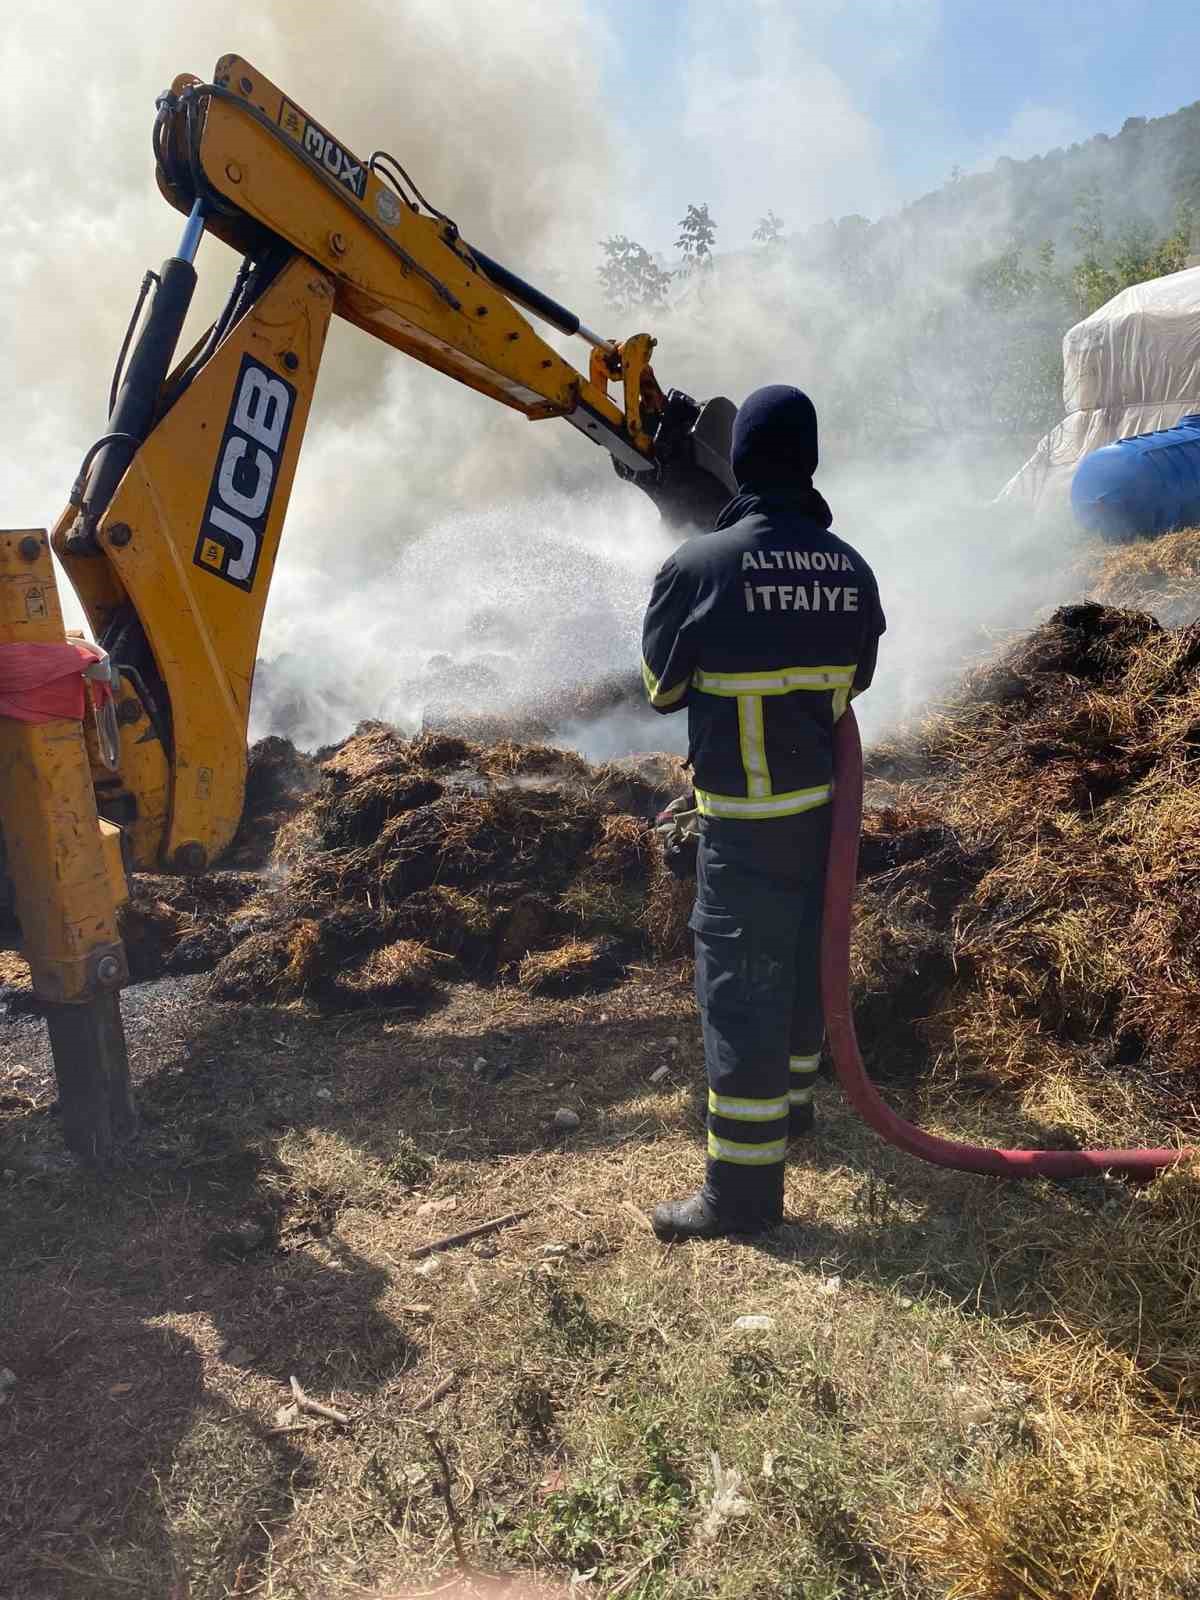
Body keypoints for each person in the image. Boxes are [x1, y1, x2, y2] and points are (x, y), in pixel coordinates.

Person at [640, 385, 885, 1242]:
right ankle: (795, 1108)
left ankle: (741, 1194)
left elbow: (661, 689)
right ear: (809, 461)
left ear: (738, 460)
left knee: (739, 990)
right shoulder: (851, 569)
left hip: (742, 825)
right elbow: (854, 683)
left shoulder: (696, 568)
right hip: (823, 819)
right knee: (806, 961)